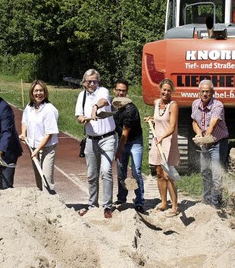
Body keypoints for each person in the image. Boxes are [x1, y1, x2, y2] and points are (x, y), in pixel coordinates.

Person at [75, 69, 116, 219]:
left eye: (95, 81)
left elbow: (104, 101)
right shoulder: (82, 95)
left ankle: (107, 206)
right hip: (91, 139)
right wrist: (82, 119)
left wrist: (95, 107)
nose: (92, 84)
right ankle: (92, 204)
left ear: (98, 82)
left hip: (107, 138)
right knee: (92, 174)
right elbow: (78, 115)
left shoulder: (103, 91)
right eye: (89, 81)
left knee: (106, 171)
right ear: (84, 82)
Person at [191, 79, 229, 208]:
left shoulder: (218, 105)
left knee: (216, 173)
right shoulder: (195, 104)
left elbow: (213, 124)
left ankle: (216, 203)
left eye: (207, 91)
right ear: (199, 92)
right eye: (202, 91)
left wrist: (205, 137)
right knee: (205, 171)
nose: (205, 94)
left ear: (212, 92)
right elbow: (194, 122)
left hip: (218, 142)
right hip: (205, 142)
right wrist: (198, 134)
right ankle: (207, 201)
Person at [146, 78, 180, 217]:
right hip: (157, 141)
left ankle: (175, 206)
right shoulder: (156, 103)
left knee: (168, 175)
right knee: (159, 173)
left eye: (168, 90)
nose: (165, 92)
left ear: (171, 91)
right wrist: (151, 119)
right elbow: (159, 118)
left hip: (168, 142)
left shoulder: (173, 105)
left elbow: (171, 127)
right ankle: (164, 202)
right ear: (160, 89)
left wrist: (162, 137)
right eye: (164, 89)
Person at [19, 80, 59, 192]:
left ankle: (51, 201)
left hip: (47, 148)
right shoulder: (29, 107)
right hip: (33, 146)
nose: (38, 93)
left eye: (41, 91)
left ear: (45, 93)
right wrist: (23, 133)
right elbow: (24, 122)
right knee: (38, 178)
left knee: (46, 177)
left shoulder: (49, 109)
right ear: (32, 93)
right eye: (36, 91)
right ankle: (42, 201)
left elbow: (49, 134)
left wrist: (37, 150)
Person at [112, 79, 144, 212]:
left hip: (134, 141)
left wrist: (118, 151)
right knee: (121, 171)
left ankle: (139, 200)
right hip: (122, 139)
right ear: (114, 91)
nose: (120, 93)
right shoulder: (114, 105)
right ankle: (122, 197)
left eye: (123, 91)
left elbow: (125, 133)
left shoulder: (130, 109)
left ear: (127, 92)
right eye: (118, 90)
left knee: (136, 171)